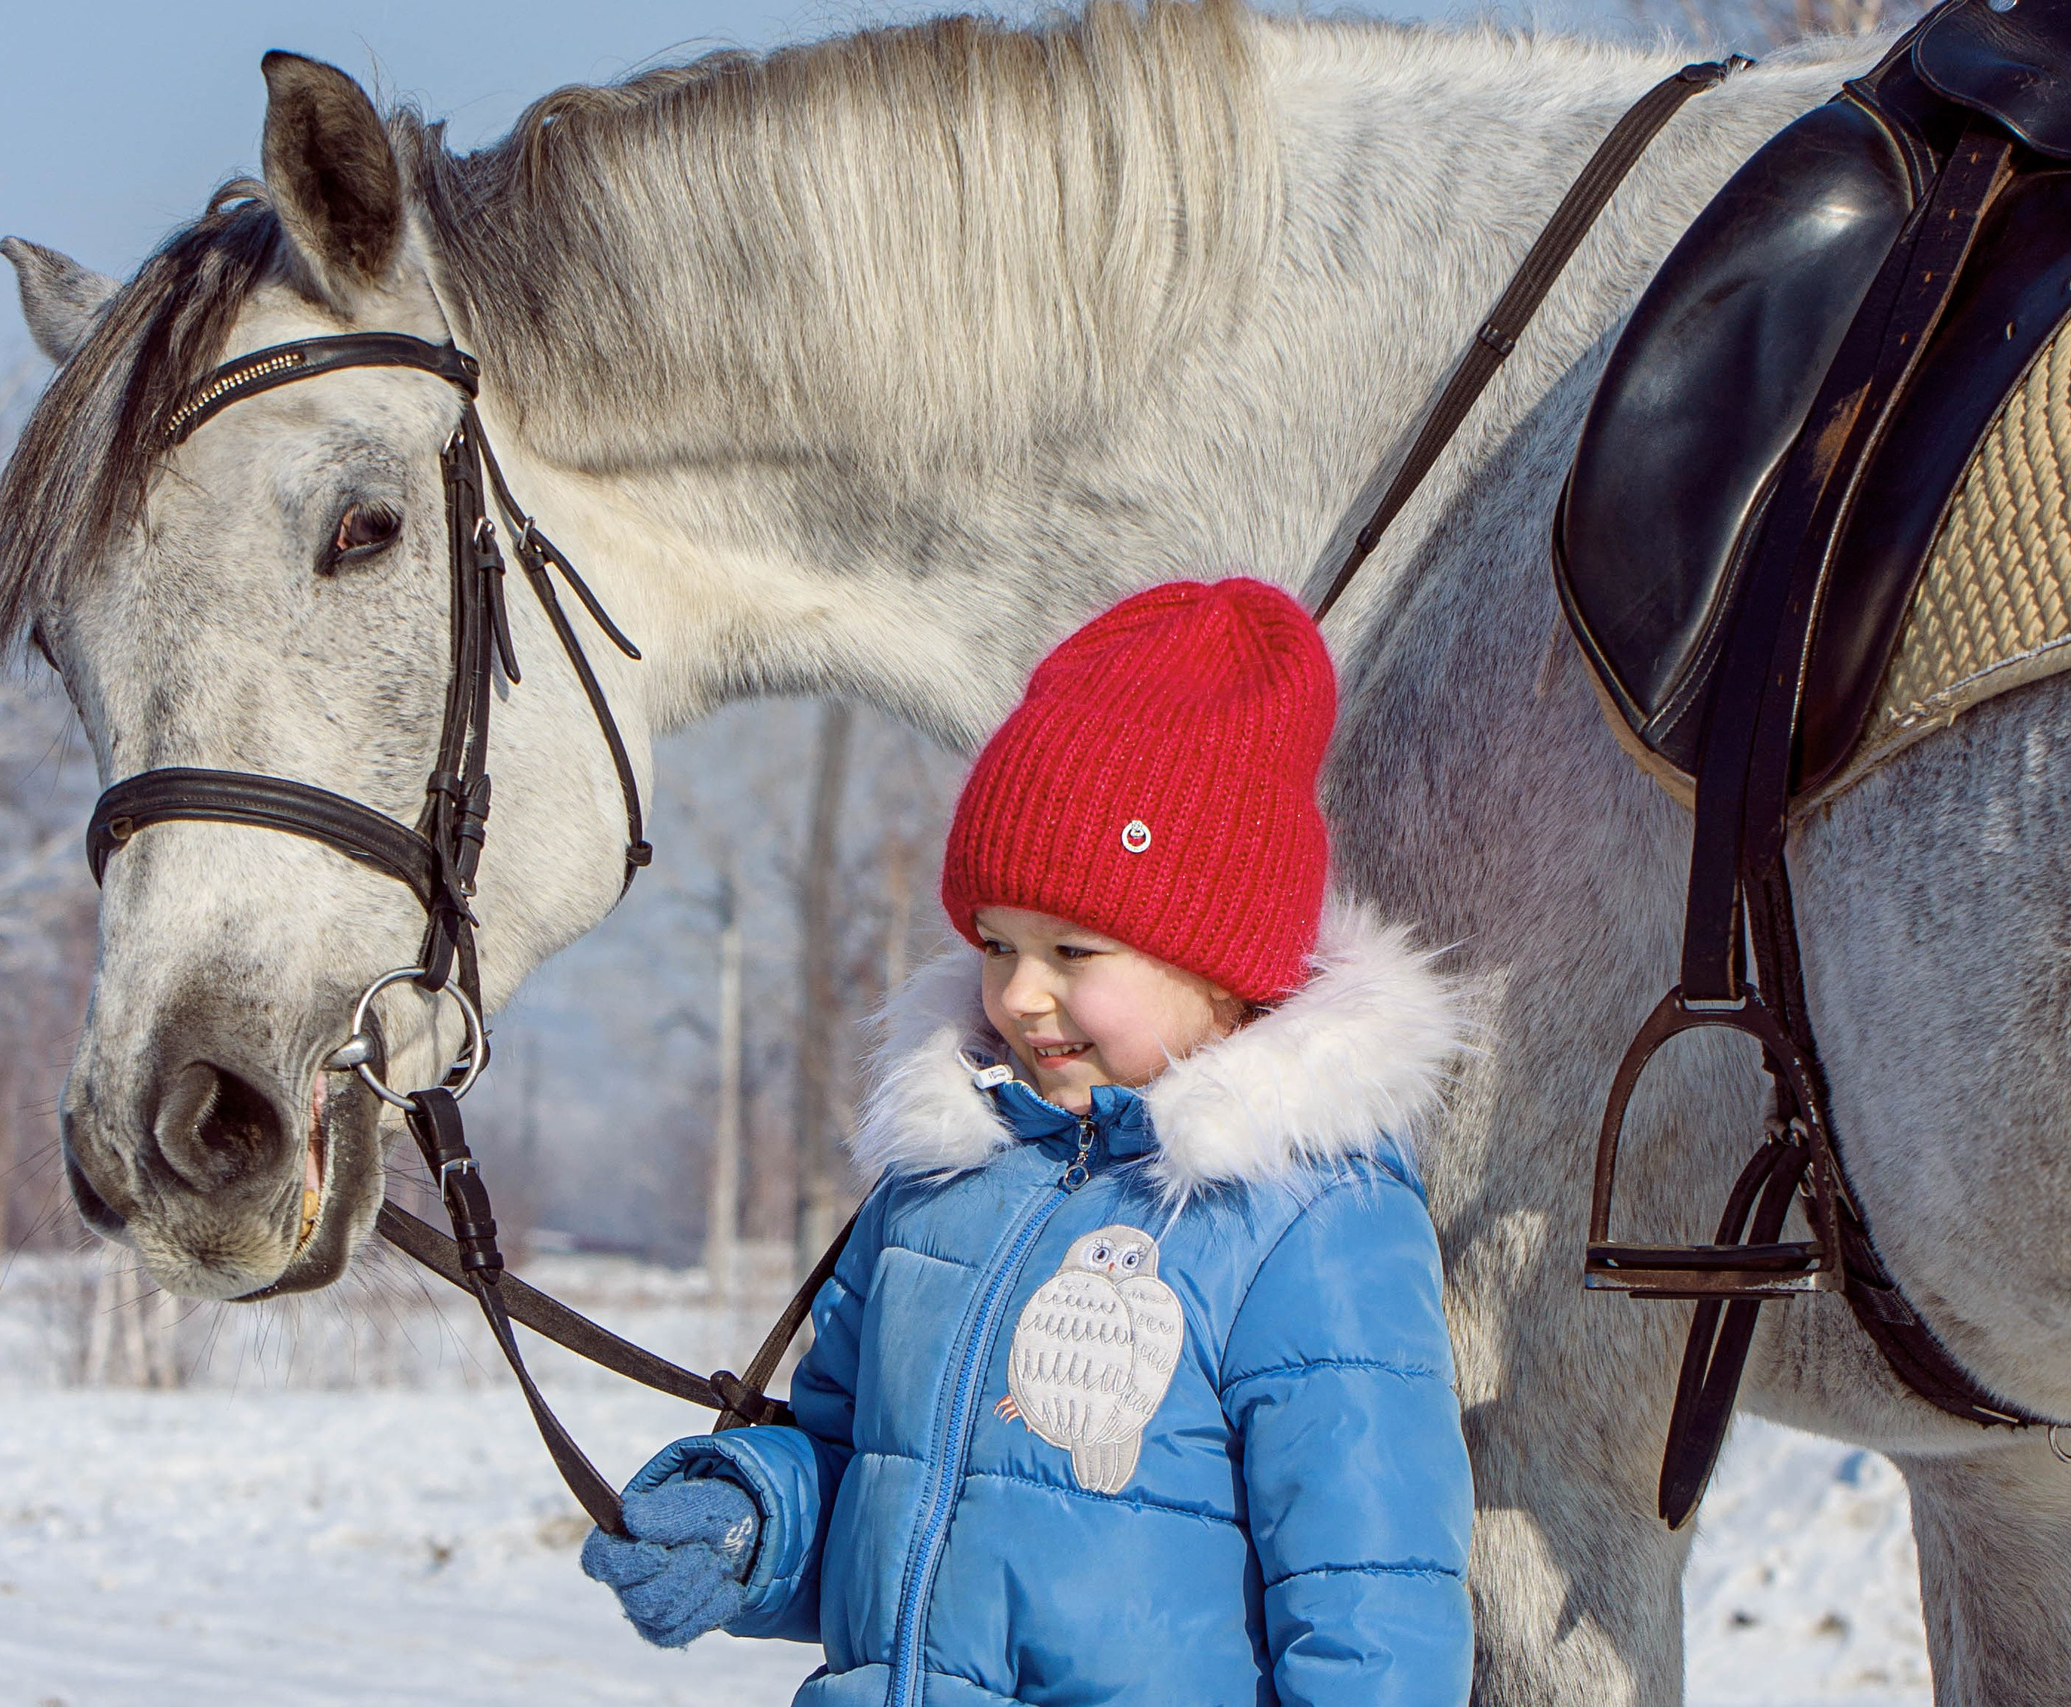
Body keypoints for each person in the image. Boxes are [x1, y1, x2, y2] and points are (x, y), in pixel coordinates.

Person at [581, 578, 1474, 1706]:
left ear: (1219, 961)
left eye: (1076, 950)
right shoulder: (941, 1185)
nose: (1022, 996)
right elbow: (872, 1482)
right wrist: (754, 1520)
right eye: (997, 944)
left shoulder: (1305, 1226)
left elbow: (1375, 1612)